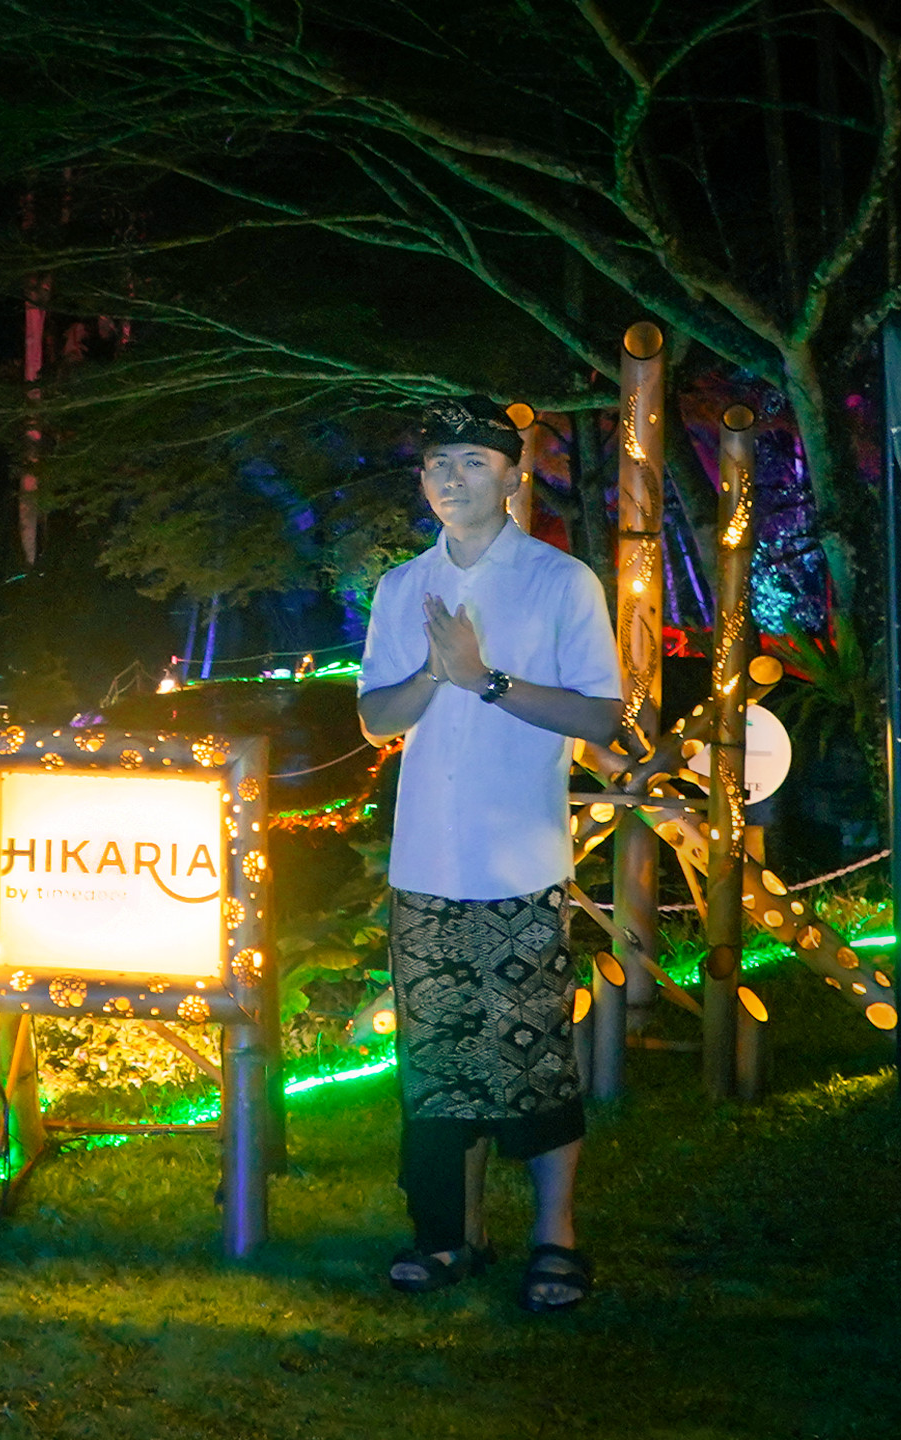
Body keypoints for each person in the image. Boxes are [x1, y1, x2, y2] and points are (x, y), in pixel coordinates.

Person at [357, 395, 624, 1312]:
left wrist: (486, 680)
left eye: (474, 460)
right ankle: (445, 1235)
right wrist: (436, 673)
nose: (452, 477)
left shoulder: (560, 581)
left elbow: (601, 717)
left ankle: (557, 1238)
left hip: (520, 860)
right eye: (438, 462)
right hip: (425, 862)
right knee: (436, 1061)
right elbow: (375, 718)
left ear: (514, 475)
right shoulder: (403, 587)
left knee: (534, 1054)